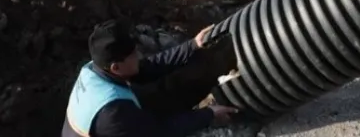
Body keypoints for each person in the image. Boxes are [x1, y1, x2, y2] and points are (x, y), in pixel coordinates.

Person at [62, 19, 239, 137]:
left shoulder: (95, 68)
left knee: (162, 90)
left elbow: (150, 67)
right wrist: (208, 114)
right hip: (119, 129)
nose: (138, 55)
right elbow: (161, 131)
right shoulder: (113, 113)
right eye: (132, 55)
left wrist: (192, 45)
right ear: (116, 67)